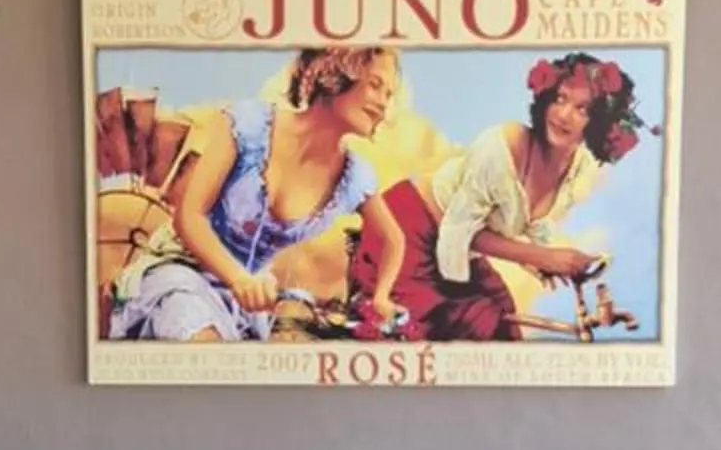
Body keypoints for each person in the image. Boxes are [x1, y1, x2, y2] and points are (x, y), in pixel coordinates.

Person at [107, 46, 399, 342]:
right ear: (335, 75)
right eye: (375, 85)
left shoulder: (354, 177)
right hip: (181, 273)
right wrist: (238, 278)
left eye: (389, 94)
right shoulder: (249, 124)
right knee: (204, 343)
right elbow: (189, 217)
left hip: (246, 302)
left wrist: (382, 297)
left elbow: (393, 239)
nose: (384, 104)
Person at [353, 53, 639, 342]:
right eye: (560, 99)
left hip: (457, 248)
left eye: (582, 109)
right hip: (406, 230)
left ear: (599, 122)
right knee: (470, 324)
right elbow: (459, 229)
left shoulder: (575, 167)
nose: (563, 115)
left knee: (505, 319)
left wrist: (542, 261)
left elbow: (525, 221)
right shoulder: (508, 143)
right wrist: (544, 257)